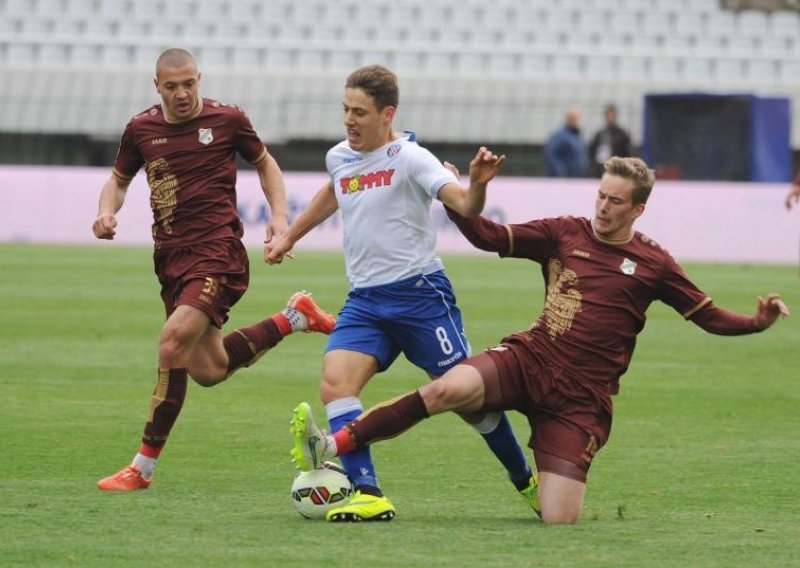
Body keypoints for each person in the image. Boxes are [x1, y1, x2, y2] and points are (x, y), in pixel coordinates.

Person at [290, 156, 789, 524]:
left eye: (616, 201)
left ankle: (533, 478)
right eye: (600, 195)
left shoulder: (655, 263)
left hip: (580, 401)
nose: (603, 208)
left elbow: (709, 317)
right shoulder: (563, 232)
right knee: (445, 390)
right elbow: (487, 236)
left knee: (558, 521)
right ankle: (330, 445)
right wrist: (466, 194)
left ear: (638, 209)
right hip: (530, 358)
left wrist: (757, 321)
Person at [266, 64, 534, 522]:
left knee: (472, 402)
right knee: (336, 384)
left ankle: (525, 480)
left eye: (360, 112)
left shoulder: (413, 159)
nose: (349, 120)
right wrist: (290, 237)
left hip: (421, 297)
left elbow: (464, 205)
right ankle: (368, 491)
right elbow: (334, 191)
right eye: (345, 110)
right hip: (366, 301)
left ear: (387, 113)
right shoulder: (340, 156)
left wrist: (479, 185)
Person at [92, 48, 336, 491]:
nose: (182, 94)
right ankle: (295, 316)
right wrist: (106, 211)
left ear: (199, 79)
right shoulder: (141, 129)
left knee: (171, 345)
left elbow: (265, 163)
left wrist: (279, 220)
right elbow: (119, 179)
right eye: (172, 86)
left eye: (189, 84)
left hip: (217, 252)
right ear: (157, 86)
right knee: (209, 369)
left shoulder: (227, 120)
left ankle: (142, 468)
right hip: (171, 259)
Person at [588, 103, 634, 177]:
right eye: (608, 115)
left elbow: (629, 153)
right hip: (602, 171)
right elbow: (592, 153)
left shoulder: (622, 134)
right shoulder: (600, 134)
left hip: (618, 172)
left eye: (612, 115)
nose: (610, 117)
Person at [544, 106, 588, 178]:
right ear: (567, 118)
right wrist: (560, 172)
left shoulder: (578, 136)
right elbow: (551, 155)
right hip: (565, 179)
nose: (575, 120)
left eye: (577, 117)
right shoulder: (559, 136)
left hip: (577, 178)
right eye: (573, 117)